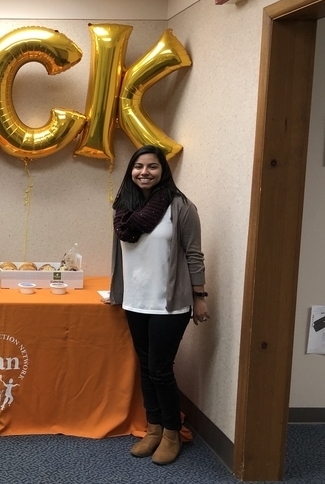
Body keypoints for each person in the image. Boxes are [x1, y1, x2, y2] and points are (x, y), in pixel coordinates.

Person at [110, 145, 210, 466]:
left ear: (163, 171)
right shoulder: (124, 209)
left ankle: (171, 432)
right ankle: (152, 428)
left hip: (169, 304)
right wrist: (117, 290)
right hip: (136, 301)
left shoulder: (180, 207)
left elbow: (194, 254)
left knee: (160, 369)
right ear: (131, 171)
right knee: (145, 364)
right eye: (138, 166)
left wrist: (199, 297)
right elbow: (125, 256)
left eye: (152, 167)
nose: (144, 172)